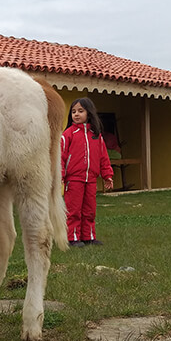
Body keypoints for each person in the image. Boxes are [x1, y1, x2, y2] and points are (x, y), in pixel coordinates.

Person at [60, 97, 114, 247]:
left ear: (89, 113)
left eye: (80, 111)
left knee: (89, 210)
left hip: (90, 179)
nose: (76, 114)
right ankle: (72, 238)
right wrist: (61, 175)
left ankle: (88, 236)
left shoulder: (96, 136)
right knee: (73, 210)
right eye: (73, 111)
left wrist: (107, 175)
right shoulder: (68, 135)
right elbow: (61, 156)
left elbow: (103, 157)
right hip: (74, 180)